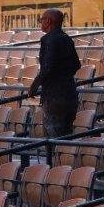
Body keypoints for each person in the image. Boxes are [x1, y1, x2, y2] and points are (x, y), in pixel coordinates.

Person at [29, 8, 81, 138]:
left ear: (49, 21)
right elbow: (76, 64)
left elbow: (47, 67)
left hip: (54, 97)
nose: (41, 22)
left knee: (53, 139)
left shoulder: (49, 40)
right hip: (69, 94)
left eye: (42, 20)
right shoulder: (66, 39)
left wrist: (34, 86)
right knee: (66, 137)